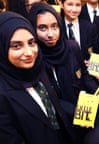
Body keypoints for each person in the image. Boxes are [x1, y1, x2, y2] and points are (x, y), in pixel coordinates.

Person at [0, 11, 76, 144]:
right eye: (16, 46)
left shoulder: (36, 69)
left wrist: (76, 112)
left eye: (31, 43)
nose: (29, 53)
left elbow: (51, 103)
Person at [28, 2, 98, 117]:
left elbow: (84, 75)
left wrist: (96, 93)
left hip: (83, 112)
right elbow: (48, 97)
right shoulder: (33, 60)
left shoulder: (72, 47)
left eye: (54, 26)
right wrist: (73, 111)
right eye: (42, 28)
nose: (50, 34)